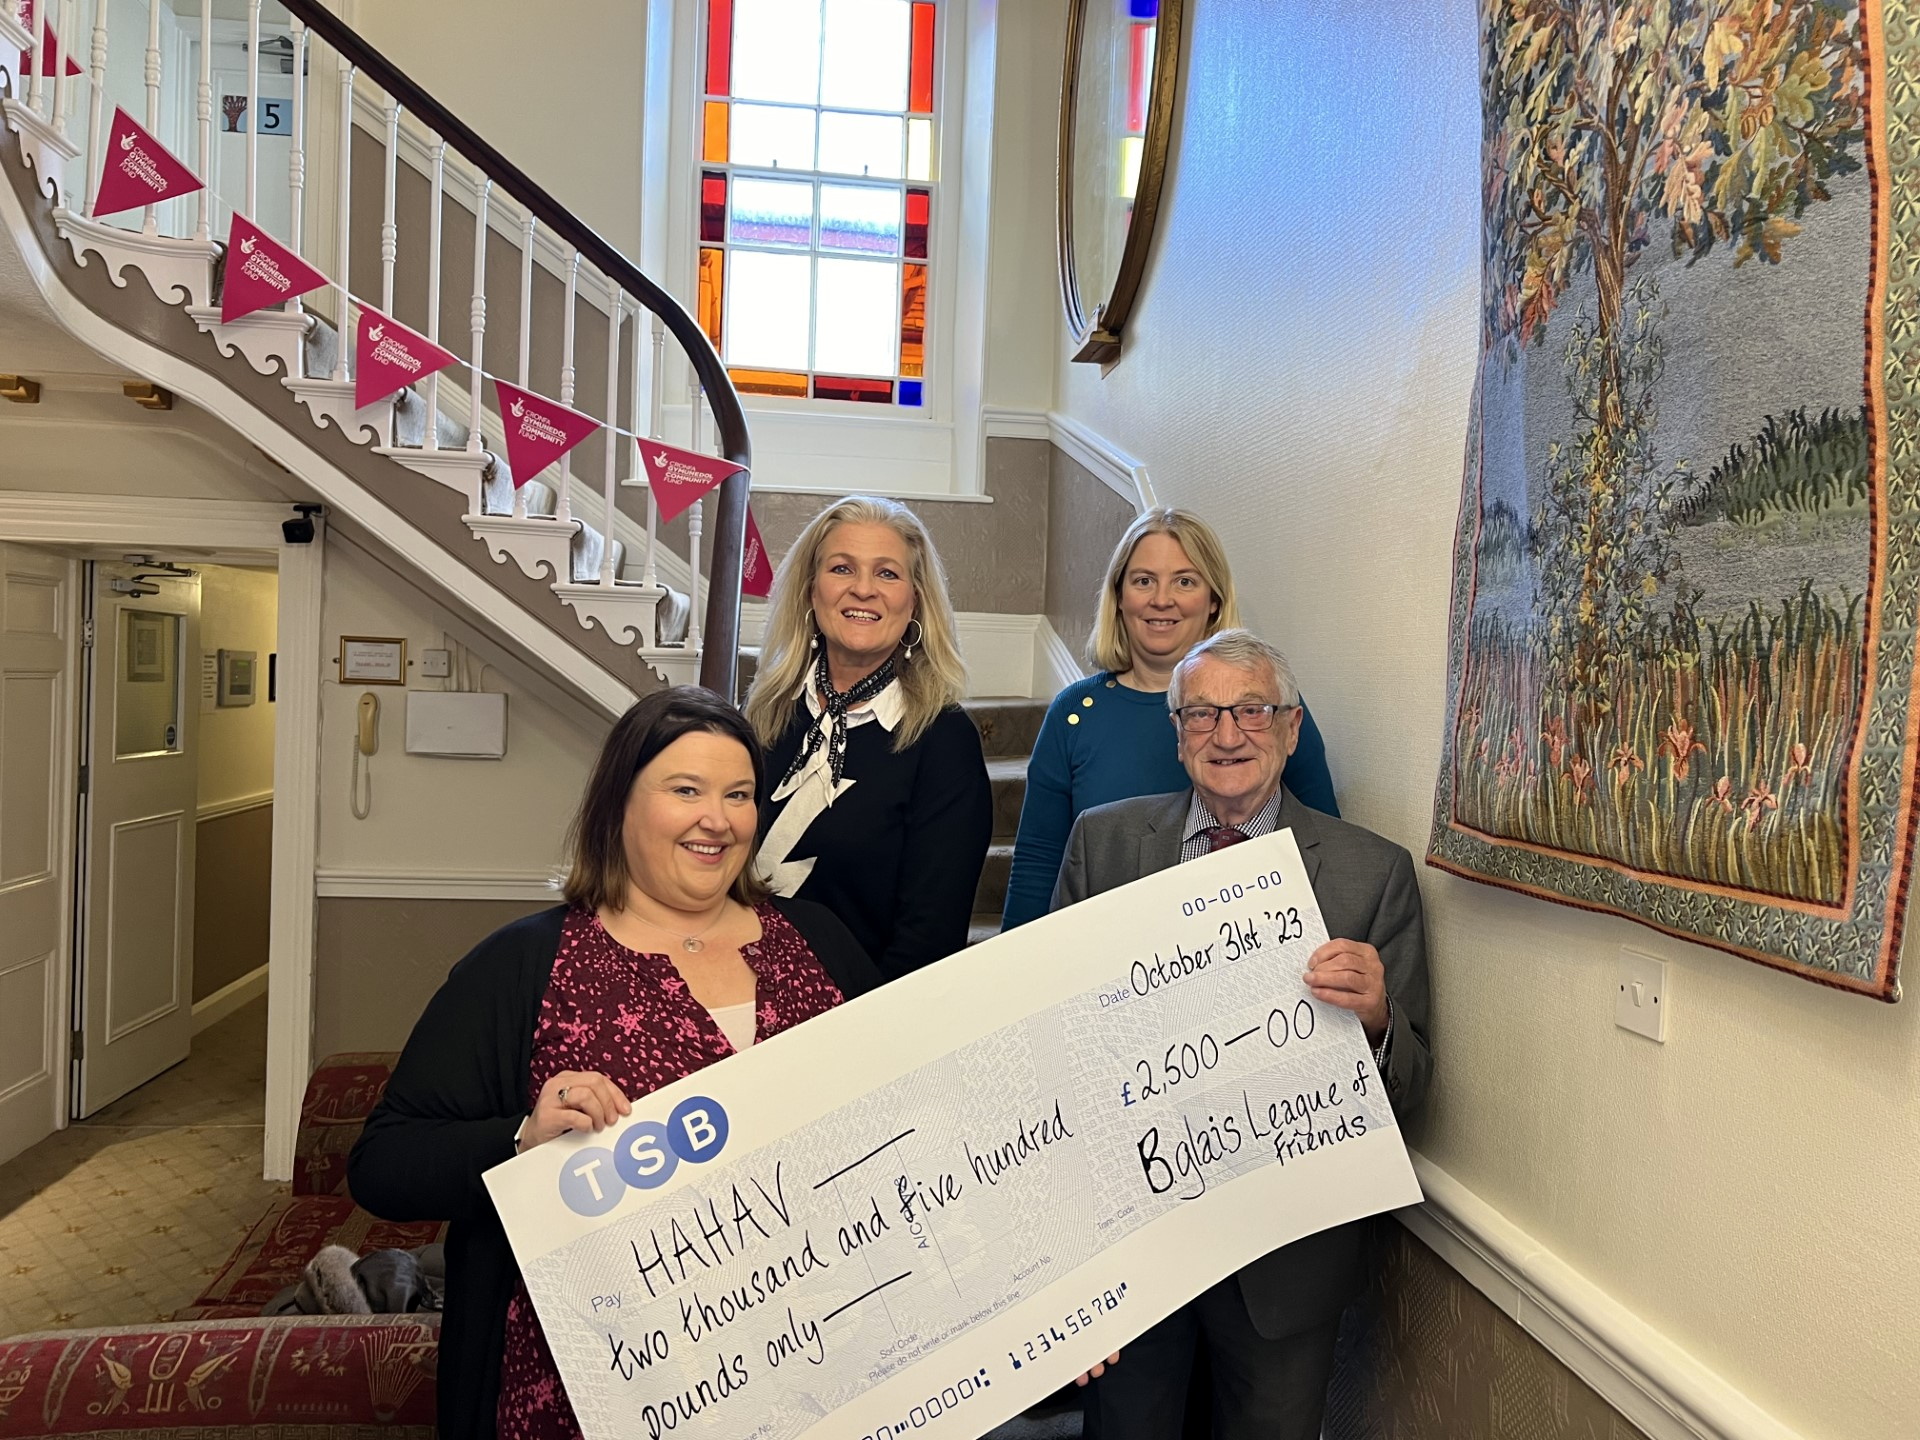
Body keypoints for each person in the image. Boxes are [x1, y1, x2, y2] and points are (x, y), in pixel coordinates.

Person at [348, 687, 882, 1440]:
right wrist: (522, 1140)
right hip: (603, 1390)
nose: (718, 819)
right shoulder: (522, 966)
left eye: (738, 795)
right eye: (686, 790)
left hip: (826, 1360)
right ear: (617, 806)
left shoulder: (819, 941)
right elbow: (383, 1164)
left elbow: (909, 1113)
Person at [1053, 629, 1432, 1440]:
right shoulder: (1103, 845)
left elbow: (1415, 1090)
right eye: (1202, 714)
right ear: (1177, 733)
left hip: (1286, 1261)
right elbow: (1056, 1050)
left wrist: (1377, 1021)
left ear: (1291, 729)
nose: (1227, 734)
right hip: (1134, 1247)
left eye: (1252, 710)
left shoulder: (1374, 873)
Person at [1000, 508, 1339, 932]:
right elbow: (1038, 862)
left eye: (1185, 581)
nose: (1162, 599)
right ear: (1119, 597)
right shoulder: (1074, 714)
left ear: (1214, 600)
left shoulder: (1268, 705)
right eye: (1144, 581)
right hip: (1112, 945)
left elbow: (1324, 844)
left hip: (1251, 941)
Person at [744, 495, 992, 981]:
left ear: (914, 600)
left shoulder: (944, 741)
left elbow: (929, 940)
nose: (863, 589)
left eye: (887, 573)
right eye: (842, 568)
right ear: (810, 591)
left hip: (854, 1010)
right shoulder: (763, 712)